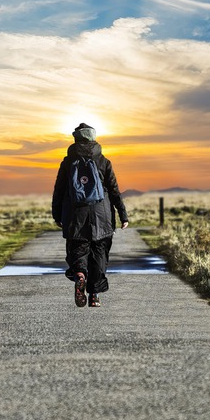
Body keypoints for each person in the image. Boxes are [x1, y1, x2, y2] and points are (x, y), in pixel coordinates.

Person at [52, 123, 129, 307]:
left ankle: (80, 274)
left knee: (78, 249)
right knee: (99, 254)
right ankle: (94, 295)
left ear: (76, 139)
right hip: (102, 215)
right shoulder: (104, 161)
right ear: (93, 138)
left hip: (75, 215)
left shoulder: (68, 162)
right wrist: (123, 214)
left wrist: (57, 215)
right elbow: (114, 190)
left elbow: (59, 190)